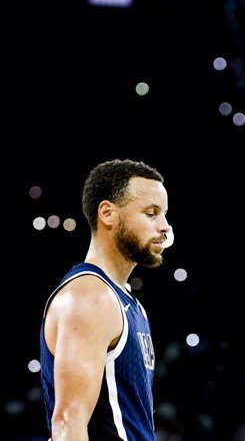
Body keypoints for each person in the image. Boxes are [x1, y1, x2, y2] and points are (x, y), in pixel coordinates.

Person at [39, 158, 172, 440]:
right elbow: (67, 422)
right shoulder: (90, 297)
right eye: (151, 213)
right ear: (108, 213)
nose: (165, 227)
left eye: (165, 215)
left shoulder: (126, 302)